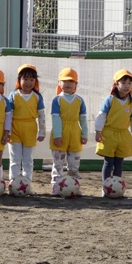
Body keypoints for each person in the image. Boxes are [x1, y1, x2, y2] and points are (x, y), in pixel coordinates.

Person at [95, 69, 132, 185]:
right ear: (116, 84)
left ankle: (116, 186)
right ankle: (106, 186)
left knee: (119, 162)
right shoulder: (110, 99)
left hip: (123, 135)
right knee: (108, 162)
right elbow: (102, 115)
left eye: (130, 83)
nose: (127, 86)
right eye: (123, 83)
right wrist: (98, 131)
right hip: (109, 134)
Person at [49, 68, 88, 196]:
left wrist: (84, 134)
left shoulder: (79, 100)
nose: (68, 84)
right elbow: (55, 118)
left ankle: (74, 186)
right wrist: (57, 135)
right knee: (58, 163)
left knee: (74, 163)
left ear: (76, 84)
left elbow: (83, 119)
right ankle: (56, 186)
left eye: (71, 81)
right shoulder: (57, 100)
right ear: (59, 83)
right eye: (64, 81)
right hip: (61, 133)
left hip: (75, 134)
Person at [7, 64, 45, 190]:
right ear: (19, 80)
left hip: (30, 129)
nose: (28, 82)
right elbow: (8, 114)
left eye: (31, 79)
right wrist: (7, 131)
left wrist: (42, 131)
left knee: (28, 160)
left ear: (35, 81)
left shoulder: (37, 97)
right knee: (15, 159)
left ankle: (26, 185)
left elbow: (41, 115)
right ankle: (13, 184)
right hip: (15, 129)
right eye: (25, 79)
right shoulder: (13, 95)